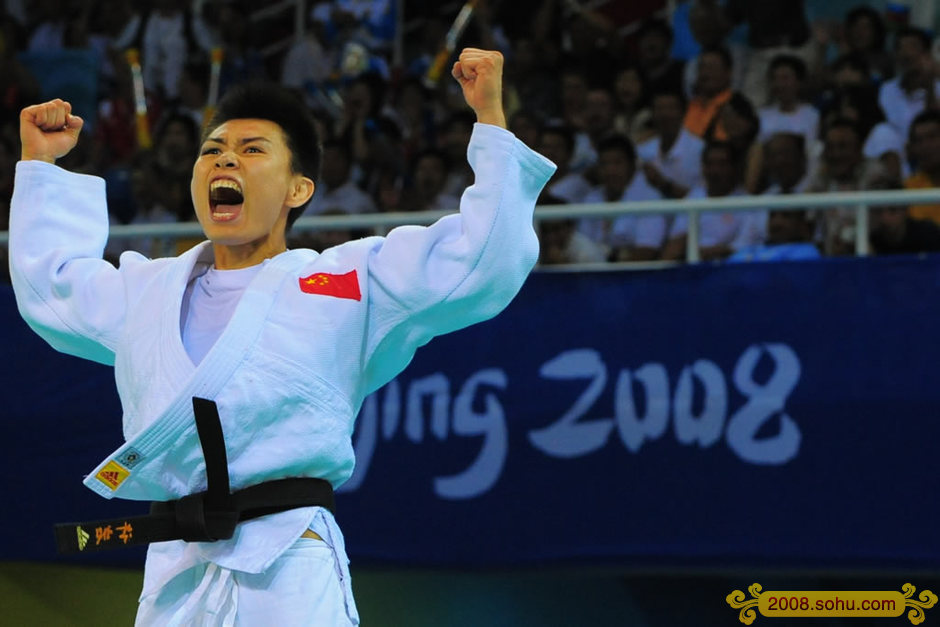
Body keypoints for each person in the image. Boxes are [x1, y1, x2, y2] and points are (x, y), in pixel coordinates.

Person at [10, 48, 554, 625]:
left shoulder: (350, 279)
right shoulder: (149, 289)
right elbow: (51, 290)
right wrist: (44, 166)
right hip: (177, 566)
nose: (225, 162)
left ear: (298, 190)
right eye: (212, 151)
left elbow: (480, 263)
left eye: (251, 151)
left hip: (288, 557)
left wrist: (490, 118)